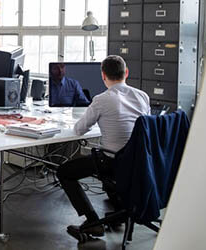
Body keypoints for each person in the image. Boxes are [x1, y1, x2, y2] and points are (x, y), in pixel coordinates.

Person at [56, 55, 150, 238]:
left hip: (113, 162)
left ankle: (92, 221)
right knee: (107, 159)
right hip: (139, 162)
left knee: (64, 172)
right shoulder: (142, 96)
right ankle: (120, 212)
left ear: (103, 75)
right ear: (126, 73)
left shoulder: (101, 99)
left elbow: (79, 130)